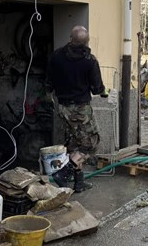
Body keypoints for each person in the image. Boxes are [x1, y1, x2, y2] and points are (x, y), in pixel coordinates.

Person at [45, 25, 107, 193]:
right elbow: (97, 88)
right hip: (80, 109)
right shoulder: (89, 60)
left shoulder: (56, 56)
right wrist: (104, 91)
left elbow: (49, 82)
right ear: (86, 41)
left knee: (74, 143)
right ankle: (63, 173)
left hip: (62, 108)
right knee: (90, 145)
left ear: (70, 38)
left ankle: (79, 183)